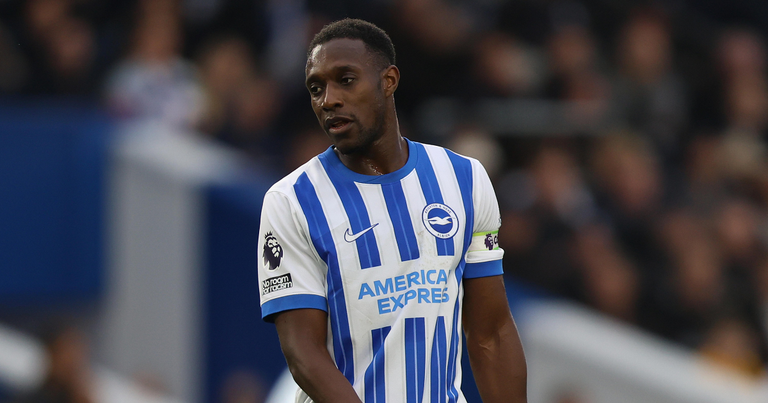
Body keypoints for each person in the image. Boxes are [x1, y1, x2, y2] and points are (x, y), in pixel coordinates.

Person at [257, 18, 527, 403]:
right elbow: (304, 355)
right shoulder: (291, 201)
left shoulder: (464, 179)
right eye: (316, 88)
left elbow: (492, 333)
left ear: (388, 81)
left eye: (345, 80)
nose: (328, 99)